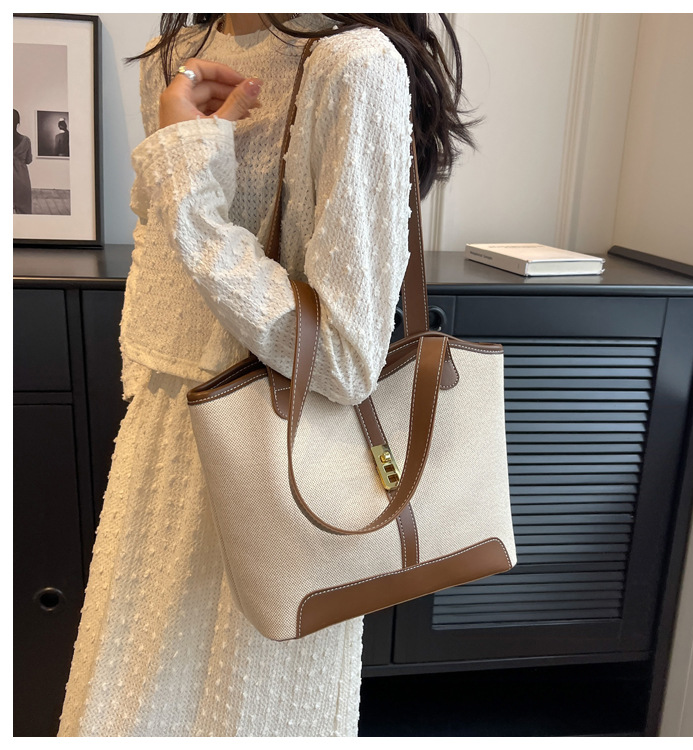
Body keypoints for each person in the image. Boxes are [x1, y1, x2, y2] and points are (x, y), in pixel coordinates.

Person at [57, 13, 478, 737]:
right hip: (162, 450)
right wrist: (184, 172)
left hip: (279, 466)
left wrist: (188, 184)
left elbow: (343, 358)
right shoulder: (173, 58)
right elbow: (171, 278)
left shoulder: (352, 65)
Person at [13, 108, 33, 214]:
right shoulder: (26, 140)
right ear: (18, 122)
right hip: (21, 180)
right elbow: (28, 160)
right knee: (24, 214)